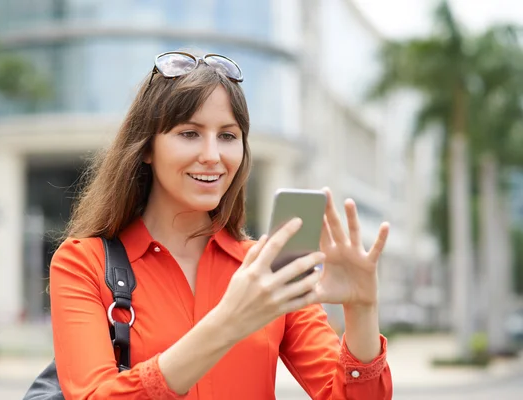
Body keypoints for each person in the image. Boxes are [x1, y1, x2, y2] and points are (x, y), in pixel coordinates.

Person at [49, 51, 392, 399]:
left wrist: (362, 309)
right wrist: (228, 322)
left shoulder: (268, 267)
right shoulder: (83, 263)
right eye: (189, 133)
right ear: (146, 147)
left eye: (228, 136)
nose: (213, 155)